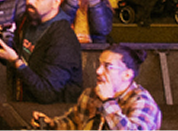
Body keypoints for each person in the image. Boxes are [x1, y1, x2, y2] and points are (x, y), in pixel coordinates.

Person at [0, 0, 83, 103]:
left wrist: (16, 61)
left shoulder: (63, 39)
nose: (29, 1)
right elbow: (17, 57)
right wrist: (2, 45)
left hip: (53, 115)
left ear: (56, 2)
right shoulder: (29, 19)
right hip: (24, 104)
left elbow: (47, 94)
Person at [31, 49, 162, 131]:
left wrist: (108, 102)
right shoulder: (90, 95)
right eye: (99, 64)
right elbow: (73, 123)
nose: (98, 71)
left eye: (107, 67)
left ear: (127, 74)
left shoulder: (143, 103)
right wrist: (51, 125)